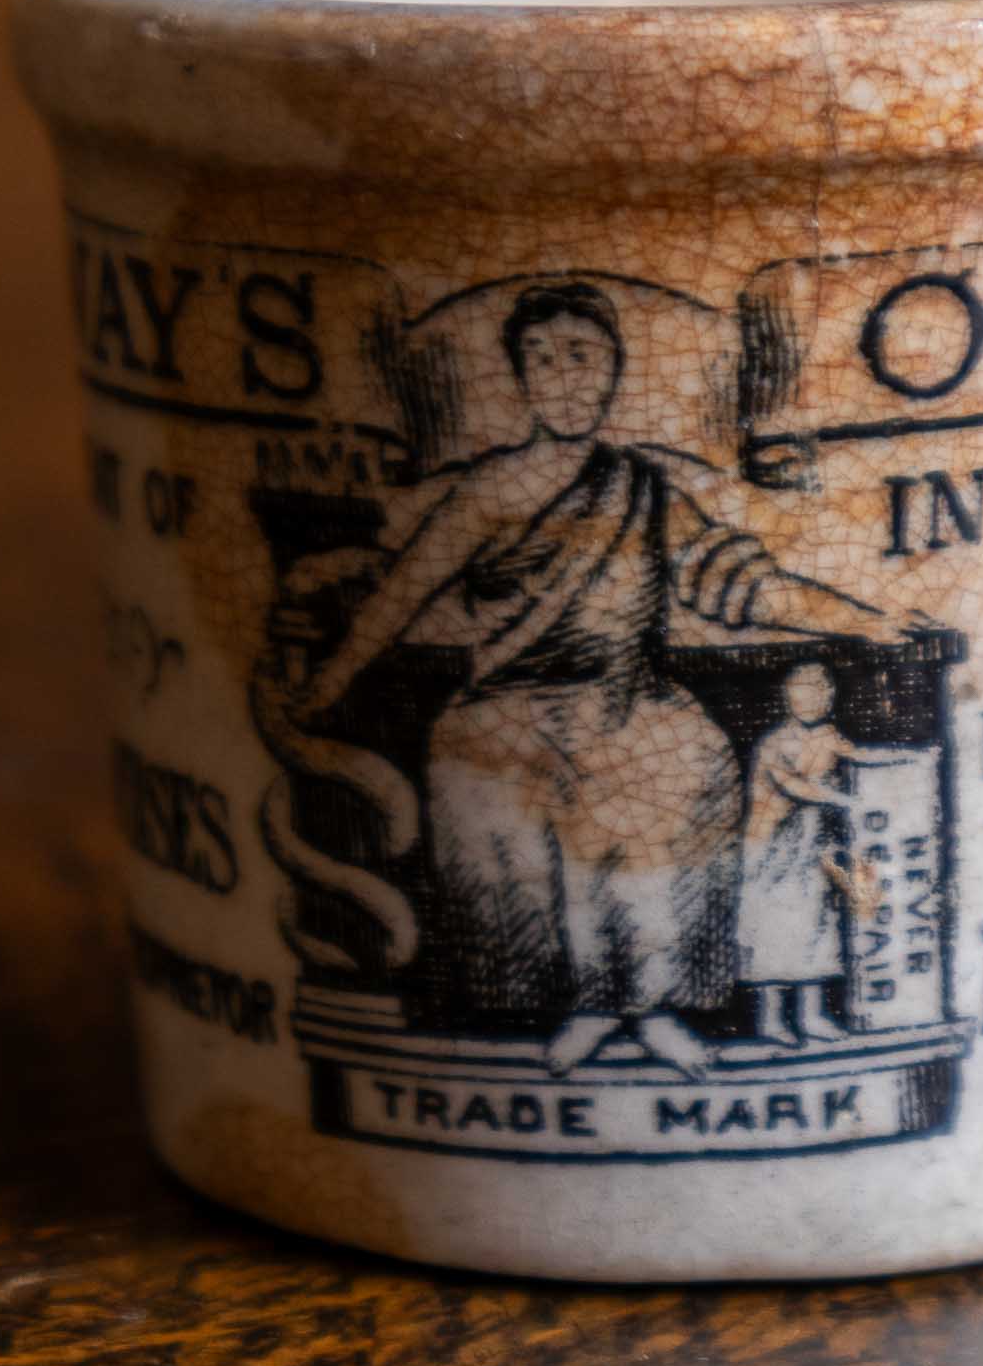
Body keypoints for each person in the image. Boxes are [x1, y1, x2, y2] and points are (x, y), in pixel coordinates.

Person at [266, 283, 900, 1079]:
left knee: (691, 759)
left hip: (629, 698)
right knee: (482, 775)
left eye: (581, 358)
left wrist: (862, 619)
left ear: (611, 374)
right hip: (509, 705)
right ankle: (577, 1009)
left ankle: (653, 1005)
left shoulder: (643, 487)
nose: (563, 378)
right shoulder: (487, 492)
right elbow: (401, 593)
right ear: (518, 378)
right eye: (540, 359)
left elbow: (736, 582)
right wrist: (330, 681)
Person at [738, 664, 899, 1048]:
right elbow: (792, 785)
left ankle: (812, 1016)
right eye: (804, 690)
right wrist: (842, 799)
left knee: (817, 929)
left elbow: (858, 756)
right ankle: (772, 1019)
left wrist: (898, 761)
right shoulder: (775, 743)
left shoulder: (827, 736)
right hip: (770, 853)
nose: (814, 698)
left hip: (810, 851)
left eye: (821, 691)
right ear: (788, 696)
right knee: (774, 934)